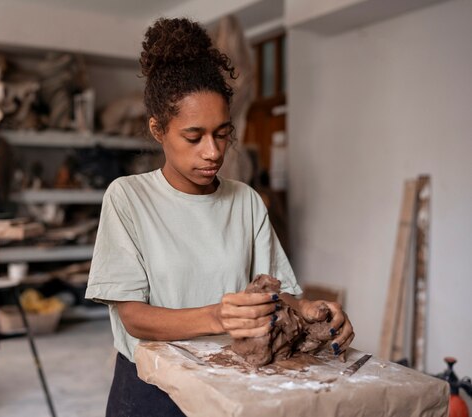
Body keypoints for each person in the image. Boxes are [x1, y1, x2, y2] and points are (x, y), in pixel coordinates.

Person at [85, 17, 354, 417]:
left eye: (222, 133)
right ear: (158, 130)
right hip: (151, 390)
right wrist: (216, 316)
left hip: (231, 381)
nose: (212, 151)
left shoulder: (245, 201)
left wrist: (312, 310)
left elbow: (277, 295)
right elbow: (134, 318)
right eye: (193, 137)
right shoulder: (128, 198)